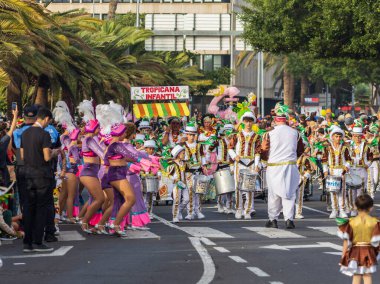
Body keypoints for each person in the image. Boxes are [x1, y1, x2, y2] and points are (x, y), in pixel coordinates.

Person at [21, 108, 59, 252]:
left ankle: (27, 242)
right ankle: (38, 241)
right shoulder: (44, 135)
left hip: (28, 175)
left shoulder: (25, 133)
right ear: (46, 119)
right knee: (41, 209)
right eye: (49, 121)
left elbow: (21, 156)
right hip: (42, 176)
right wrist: (55, 152)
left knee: (29, 209)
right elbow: (47, 157)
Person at [261, 103, 304, 229]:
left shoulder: (269, 134)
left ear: (275, 120)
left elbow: (264, 151)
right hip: (290, 165)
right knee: (289, 193)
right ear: (286, 119)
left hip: (274, 166)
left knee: (274, 194)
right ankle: (289, 219)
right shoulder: (296, 133)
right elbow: (300, 150)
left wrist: (266, 159)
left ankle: (273, 219)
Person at [337, 194, 380, 284]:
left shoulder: (351, 222)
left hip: (355, 251)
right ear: (371, 207)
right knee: (367, 275)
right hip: (369, 251)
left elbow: (346, 240)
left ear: (356, 207)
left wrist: (343, 256)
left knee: (356, 275)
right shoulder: (375, 222)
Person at [229, 112, 261, 220]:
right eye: (246, 121)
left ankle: (247, 210)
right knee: (238, 187)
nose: (248, 123)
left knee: (249, 188)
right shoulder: (237, 135)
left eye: (250, 121)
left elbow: (257, 152)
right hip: (239, 163)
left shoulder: (257, 136)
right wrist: (234, 156)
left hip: (251, 164)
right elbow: (230, 148)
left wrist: (257, 165)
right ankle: (238, 209)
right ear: (243, 122)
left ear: (253, 122)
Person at [322, 126, 352, 219]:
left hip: (341, 171)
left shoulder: (344, 148)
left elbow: (348, 160)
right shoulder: (328, 148)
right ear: (332, 137)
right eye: (336, 136)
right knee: (333, 191)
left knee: (342, 191)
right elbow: (324, 160)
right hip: (332, 171)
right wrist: (325, 171)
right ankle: (334, 209)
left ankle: (342, 210)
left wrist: (346, 167)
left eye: (339, 137)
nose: (338, 138)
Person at [0, 106, 18, 187]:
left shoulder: (3, 142)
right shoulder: (2, 142)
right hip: (3, 177)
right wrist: (15, 115)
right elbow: (12, 130)